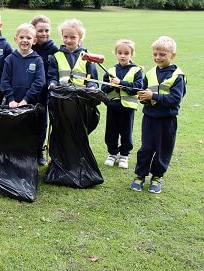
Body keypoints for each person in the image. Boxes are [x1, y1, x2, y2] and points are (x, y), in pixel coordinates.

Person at [131, 36, 186, 194]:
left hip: (167, 120)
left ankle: (156, 177)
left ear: (172, 55)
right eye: (155, 54)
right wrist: (143, 98)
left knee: (163, 149)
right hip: (149, 118)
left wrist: (153, 97)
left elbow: (175, 99)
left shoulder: (177, 76)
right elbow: (144, 93)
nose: (158, 57)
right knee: (146, 148)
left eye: (162, 54)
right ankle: (140, 175)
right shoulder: (149, 73)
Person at [101, 39, 144, 169]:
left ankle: (124, 155)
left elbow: (137, 88)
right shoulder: (110, 70)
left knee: (126, 133)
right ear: (116, 53)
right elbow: (103, 89)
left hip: (128, 108)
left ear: (132, 54)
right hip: (113, 107)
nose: (123, 56)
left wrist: (121, 83)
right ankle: (112, 153)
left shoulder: (137, 70)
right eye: (120, 52)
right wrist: (111, 86)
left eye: (126, 53)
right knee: (111, 132)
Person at [31, 15, 58, 165]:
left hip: (44, 93)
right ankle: (27, 149)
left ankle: (39, 151)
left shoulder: (54, 50)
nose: (44, 33)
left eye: (47, 30)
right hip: (28, 92)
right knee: (28, 121)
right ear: (33, 31)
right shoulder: (28, 46)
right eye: (40, 30)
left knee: (42, 122)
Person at [0, 23, 45, 109]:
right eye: (21, 37)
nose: (25, 40)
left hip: (30, 104)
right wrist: (11, 99)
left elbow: (39, 82)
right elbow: (4, 81)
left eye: (29, 38)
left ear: (34, 41)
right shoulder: (10, 59)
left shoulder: (38, 60)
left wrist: (26, 100)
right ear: (15, 39)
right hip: (11, 104)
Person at [47, 19, 98, 89]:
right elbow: (53, 77)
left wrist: (92, 87)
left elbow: (92, 79)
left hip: (83, 97)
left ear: (80, 38)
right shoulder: (56, 57)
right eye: (65, 37)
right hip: (62, 96)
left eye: (73, 37)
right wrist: (52, 84)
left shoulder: (88, 57)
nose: (68, 40)